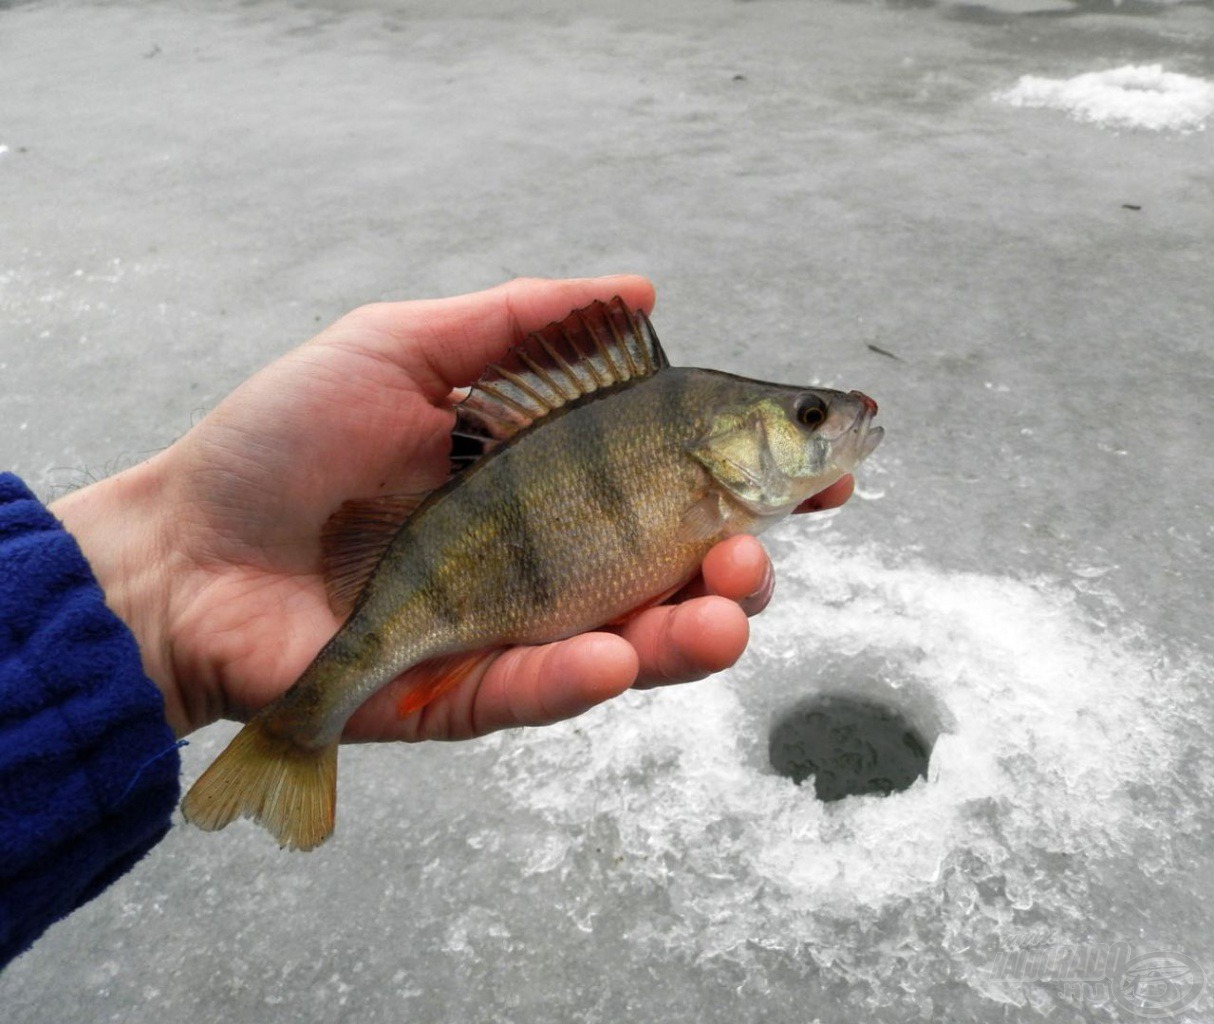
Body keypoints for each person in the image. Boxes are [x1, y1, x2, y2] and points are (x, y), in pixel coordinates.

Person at [0, 275, 853, 969]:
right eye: (808, 417)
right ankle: (295, 736)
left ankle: (292, 735)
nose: (833, 421)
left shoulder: (700, 456)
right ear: (729, 443)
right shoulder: (687, 448)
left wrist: (152, 604)